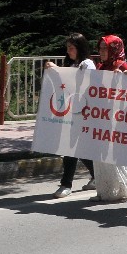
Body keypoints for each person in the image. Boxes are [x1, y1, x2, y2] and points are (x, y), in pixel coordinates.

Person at [47, 33, 96, 197]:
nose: (68, 51)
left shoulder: (87, 64)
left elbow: (86, 84)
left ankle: (66, 184)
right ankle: (96, 175)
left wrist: (58, 70)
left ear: (80, 48)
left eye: (72, 48)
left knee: (70, 147)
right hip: (70, 111)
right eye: (67, 48)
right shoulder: (72, 64)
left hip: (82, 112)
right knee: (77, 149)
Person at [92, 35, 127, 203]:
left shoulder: (122, 66)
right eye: (101, 48)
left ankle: (124, 189)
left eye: (106, 48)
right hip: (101, 117)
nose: (102, 51)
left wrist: (123, 79)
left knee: (116, 155)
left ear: (114, 49)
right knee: (100, 155)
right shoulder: (100, 67)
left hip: (117, 119)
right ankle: (105, 190)